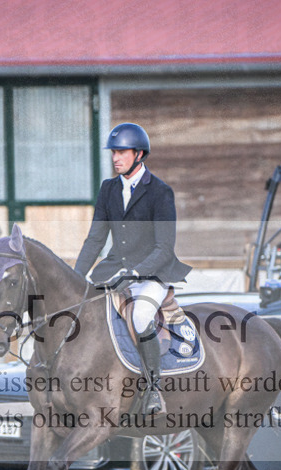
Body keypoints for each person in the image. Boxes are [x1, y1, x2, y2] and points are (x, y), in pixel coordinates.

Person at [74, 122, 191, 415]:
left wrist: (136, 273)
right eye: (113, 152)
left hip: (152, 273)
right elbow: (95, 239)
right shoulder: (108, 189)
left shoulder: (161, 192)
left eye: (121, 152)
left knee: (140, 316)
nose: (115, 158)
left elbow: (164, 248)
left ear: (139, 154)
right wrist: (75, 277)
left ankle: (153, 389)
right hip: (115, 270)